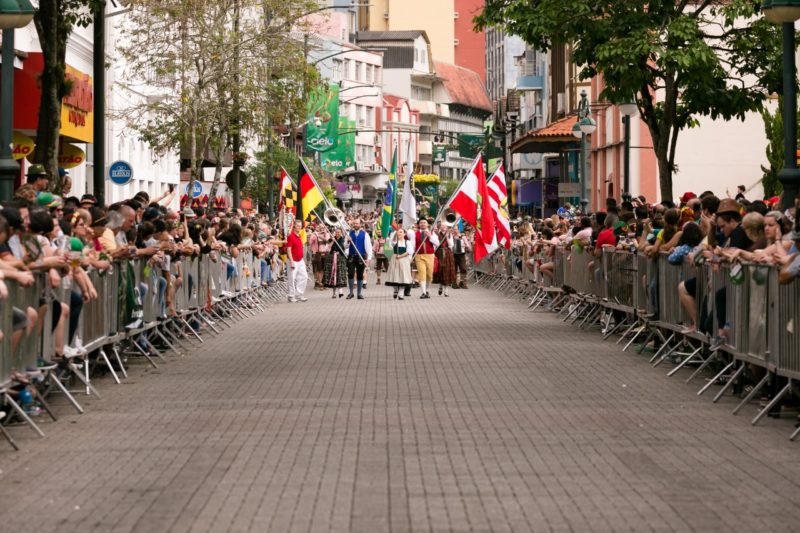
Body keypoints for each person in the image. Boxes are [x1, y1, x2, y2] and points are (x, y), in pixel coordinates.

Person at [345, 219, 372, 300]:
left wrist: (369, 259)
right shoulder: (349, 233)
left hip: (361, 256)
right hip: (351, 256)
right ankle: (351, 292)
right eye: (354, 223)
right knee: (350, 274)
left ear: (360, 224)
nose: (355, 225)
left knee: (360, 275)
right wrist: (347, 241)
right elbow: (345, 246)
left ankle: (359, 293)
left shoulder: (365, 234)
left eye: (357, 223)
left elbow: (368, 247)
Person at [413, 218, 439, 299]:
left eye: (424, 222)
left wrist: (430, 236)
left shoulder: (432, 233)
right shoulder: (415, 234)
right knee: (422, 273)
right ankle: (423, 292)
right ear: (419, 225)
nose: (423, 224)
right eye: (421, 223)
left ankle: (426, 290)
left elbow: (437, 243)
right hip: (419, 256)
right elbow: (413, 245)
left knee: (429, 275)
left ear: (427, 224)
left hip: (430, 255)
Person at [385, 228, 413, 299]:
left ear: (404, 234)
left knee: (403, 276)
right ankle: (395, 290)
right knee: (394, 275)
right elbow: (391, 242)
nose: (399, 233)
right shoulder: (394, 242)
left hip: (404, 260)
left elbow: (409, 251)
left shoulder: (407, 242)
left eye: (401, 232)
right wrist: (395, 234)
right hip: (395, 260)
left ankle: (401, 293)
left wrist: (400, 256)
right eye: (398, 232)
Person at [285, 219, 307, 302]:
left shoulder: (299, 235)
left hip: (300, 259)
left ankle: (299, 294)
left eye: (300, 226)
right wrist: (291, 261)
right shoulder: (290, 236)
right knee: (292, 278)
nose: (299, 228)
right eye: (298, 226)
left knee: (304, 276)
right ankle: (291, 296)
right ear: (294, 226)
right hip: (293, 260)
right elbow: (288, 249)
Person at [323, 227, 347, 298]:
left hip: (340, 258)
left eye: (339, 232)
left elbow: (344, 247)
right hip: (332, 258)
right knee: (333, 275)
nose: (337, 233)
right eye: (336, 232)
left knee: (340, 275)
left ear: (341, 233)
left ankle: (340, 291)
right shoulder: (331, 239)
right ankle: (334, 293)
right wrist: (333, 241)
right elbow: (327, 248)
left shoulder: (343, 239)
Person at [434, 224, 456, 296]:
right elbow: (436, 245)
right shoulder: (437, 235)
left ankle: (446, 291)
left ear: (447, 228)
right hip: (439, 253)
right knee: (440, 271)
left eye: (445, 226)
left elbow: (451, 245)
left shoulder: (449, 235)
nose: (443, 227)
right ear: (440, 227)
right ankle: (440, 286)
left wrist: (447, 238)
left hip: (447, 253)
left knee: (447, 271)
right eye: (442, 226)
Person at [308, 223, 331, 290]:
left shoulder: (327, 234)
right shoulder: (315, 234)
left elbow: (329, 241)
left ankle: (324, 283)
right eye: (320, 227)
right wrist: (315, 235)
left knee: (325, 269)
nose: (322, 228)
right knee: (318, 269)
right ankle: (319, 283)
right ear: (318, 227)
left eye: (323, 227)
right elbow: (310, 242)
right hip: (317, 253)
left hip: (326, 253)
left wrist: (322, 235)